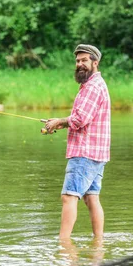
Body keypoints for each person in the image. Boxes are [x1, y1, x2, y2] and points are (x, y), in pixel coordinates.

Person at [45, 44, 111, 240]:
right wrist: (58, 123)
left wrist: (59, 122)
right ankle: (98, 242)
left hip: (85, 152)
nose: (80, 64)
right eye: (77, 61)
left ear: (95, 63)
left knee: (69, 196)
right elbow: (80, 117)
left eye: (84, 60)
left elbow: (80, 119)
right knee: (91, 198)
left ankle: (63, 243)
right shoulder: (96, 85)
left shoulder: (92, 87)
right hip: (96, 154)